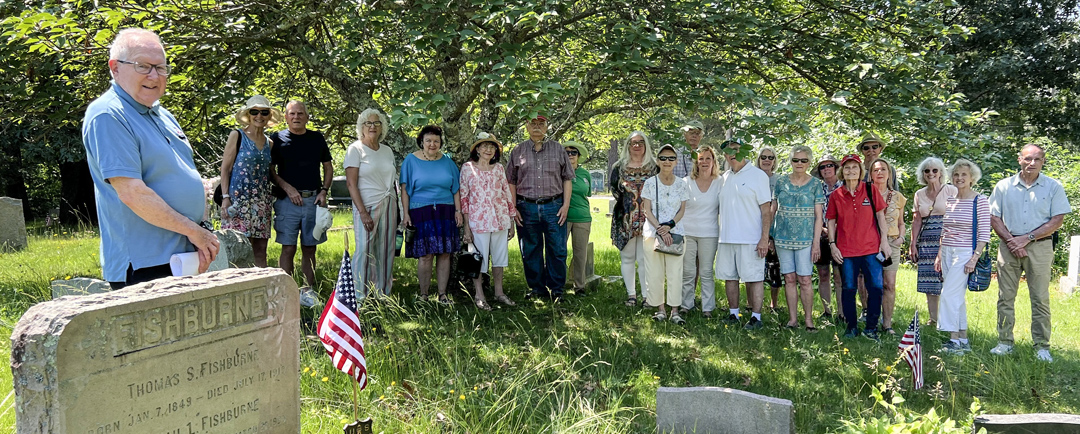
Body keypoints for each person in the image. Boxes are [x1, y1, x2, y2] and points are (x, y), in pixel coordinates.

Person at [82, 28, 219, 289]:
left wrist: (201, 230)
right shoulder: (108, 115)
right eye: (143, 66)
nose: (154, 76)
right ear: (115, 68)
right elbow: (133, 193)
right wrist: (194, 232)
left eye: (160, 67)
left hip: (183, 255)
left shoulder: (162, 114)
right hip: (145, 264)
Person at [989, 144, 1071, 362]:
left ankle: (1042, 346)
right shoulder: (1004, 186)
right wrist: (1012, 241)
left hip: (1040, 247)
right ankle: (1004, 342)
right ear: (1019, 159)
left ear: (1043, 161)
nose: (1032, 163)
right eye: (1028, 159)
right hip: (1008, 246)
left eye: (1037, 159)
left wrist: (1026, 239)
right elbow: (994, 217)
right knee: (1005, 297)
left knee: (1040, 297)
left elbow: (1057, 220)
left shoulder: (1053, 187)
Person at [506, 115, 575, 301]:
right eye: (533, 124)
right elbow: (510, 181)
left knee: (557, 249)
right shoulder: (517, 151)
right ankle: (537, 289)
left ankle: (557, 290)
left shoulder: (558, 149)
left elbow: (567, 178)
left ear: (547, 126)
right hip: (525, 207)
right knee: (530, 250)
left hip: (554, 206)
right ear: (526, 126)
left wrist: (566, 205)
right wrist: (514, 208)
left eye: (541, 124)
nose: (537, 127)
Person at [271, 101, 333, 305]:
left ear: (307, 117)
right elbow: (270, 170)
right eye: (292, 113)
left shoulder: (316, 138)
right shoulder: (276, 139)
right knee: (287, 248)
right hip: (286, 202)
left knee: (310, 248)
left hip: (312, 200)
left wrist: (324, 191)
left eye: (300, 113)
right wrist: (287, 188)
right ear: (286, 117)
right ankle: (286, 292)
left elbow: (328, 167)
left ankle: (308, 291)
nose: (296, 117)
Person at [826, 154, 890, 340]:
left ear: (861, 171)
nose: (851, 171)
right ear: (842, 172)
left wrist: (884, 241)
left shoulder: (870, 190)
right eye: (847, 168)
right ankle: (851, 327)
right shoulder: (836, 195)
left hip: (871, 249)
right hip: (846, 250)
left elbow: (880, 217)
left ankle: (871, 328)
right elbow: (830, 220)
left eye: (855, 168)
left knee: (876, 288)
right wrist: (832, 245)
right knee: (848, 288)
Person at [401, 125, 462, 304]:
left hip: (446, 211)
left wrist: (458, 211)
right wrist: (405, 213)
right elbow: (404, 190)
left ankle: (442, 295)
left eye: (436, 141)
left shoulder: (448, 162)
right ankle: (424, 295)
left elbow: (456, 190)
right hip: (421, 212)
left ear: (440, 143)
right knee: (425, 254)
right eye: (428, 140)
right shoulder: (410, 161)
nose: (432, 144)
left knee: (444, 253)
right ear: (421, 141)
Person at [715, 139, 773, 330]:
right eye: (727, 151)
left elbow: (766, 209)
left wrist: (764, 238)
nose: (732, 154)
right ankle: (734, 314)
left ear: (745, 151)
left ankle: (756, 317)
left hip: (751, 239)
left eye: (736, 150)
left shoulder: (758, 176)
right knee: (729, 277)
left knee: (754, 277)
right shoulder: (724, 178)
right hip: (726, 237)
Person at [935, 159, 990, 355]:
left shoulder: (980, 200)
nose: (959, 178)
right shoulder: (951, 200)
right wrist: (940, 255)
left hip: (965, 253)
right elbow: (945, 230)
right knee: (956, 297)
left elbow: (984, 233)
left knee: (949, 295)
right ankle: (962, 339)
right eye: (956, 174)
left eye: (963, 175)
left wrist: (974, 258)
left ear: (972, 178)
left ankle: (953, 341)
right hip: (948, 251)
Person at [460, 132, 518, 309]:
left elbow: (507, 195)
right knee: (478, 260)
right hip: (478, 222)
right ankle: (479, 295)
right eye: (484, 146)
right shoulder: (467, 168)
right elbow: (464, 198)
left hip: (500, 220)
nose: (488, 149)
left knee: (499, 259)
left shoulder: (499, 168)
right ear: (477, 149)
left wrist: (511, 221)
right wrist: (467, 228)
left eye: (492, 146)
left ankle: (499, 293)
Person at [220, 95, 279, 268]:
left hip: (261, 202)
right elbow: (225, 168)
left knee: (260, 249)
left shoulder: (270, 143)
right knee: (238, 248)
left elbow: (269, 173)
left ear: (269, 115)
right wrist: (225, 197)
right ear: (248, 114)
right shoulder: (237, 136)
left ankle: (260, 286)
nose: (259, 116)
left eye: (263, 112)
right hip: (238, 202)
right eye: (254, 112)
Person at [343, 108, 397, 299]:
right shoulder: (355, 149)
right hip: (366, 205)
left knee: (386, 249)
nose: (373, 126)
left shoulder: (387, 151)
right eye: (368, 123)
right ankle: (359, 294)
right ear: (361, 127)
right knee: (364, 249)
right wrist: (363, 212)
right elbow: (351, 183)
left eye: (377, 123)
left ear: (382, 127)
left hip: (389, 203)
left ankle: (382, 293)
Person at [771, 145, 824, 330]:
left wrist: (816, 243)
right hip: (783, 238)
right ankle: (792, 320)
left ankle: (808, 320)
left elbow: (819, 216)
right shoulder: (781, 182)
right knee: (789, 278)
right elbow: (772, 209)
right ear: (790, 161)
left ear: (809, 162)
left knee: (805, 279)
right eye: (795, 160)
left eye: (803, 160)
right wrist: (769, 235)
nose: (799, 163)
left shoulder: (816, 184)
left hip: (806, 239)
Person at [642, 144, 689, 323]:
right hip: (653, 234)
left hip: (675, 234)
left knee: (675, 272)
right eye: (663, 158)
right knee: (655, 272)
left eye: (671, 158)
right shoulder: (650, 183)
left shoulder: (682, 184)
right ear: (657, 161)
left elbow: (682, 210)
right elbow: (647, 210)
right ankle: (660, 309)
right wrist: (660, 229)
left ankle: (674, 311)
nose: (667, 161)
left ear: (676, 161)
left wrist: (669, 226)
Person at [610, 131, 658, 306]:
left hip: (649, 219)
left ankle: (647, 296)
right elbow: (615, 191)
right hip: (626, 218)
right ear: (628, 146)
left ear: (646, 145)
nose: (636, 145)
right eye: (633, 142)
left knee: (645, 258)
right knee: (627, 257)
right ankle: (632, 295)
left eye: (640, 142)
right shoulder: (619, 167)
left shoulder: (654, 167)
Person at [910, 157, 956, 326]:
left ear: (941, 173)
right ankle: (933, 319)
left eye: (934, 170)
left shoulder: (951, 190)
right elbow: (916, 221)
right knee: (929, 280)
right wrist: (913, 244)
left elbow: (956, 217)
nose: (931, 173)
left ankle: (948, 319)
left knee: (947, 278)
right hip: (926, 239)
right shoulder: (919, 194)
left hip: (948, 237)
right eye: (927, 171)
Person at [680, 145, 722, 318]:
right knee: (688, 272)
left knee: (705, 272)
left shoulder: (720, 182)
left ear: (713, 161)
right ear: (696, 162)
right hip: (687, 232)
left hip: (709, 233)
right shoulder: (686, 182)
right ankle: (685, 305)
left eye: (708, 158)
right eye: (701, 159)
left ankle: (707, 308)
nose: (704, 162)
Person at [868, 158, 906, 334]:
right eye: (876, 170)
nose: (880, 173)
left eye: (883, 169)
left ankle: (887, 323)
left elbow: (901, 222)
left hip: (891, 243)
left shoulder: (897, 197)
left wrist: (901, 238)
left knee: (889, 283)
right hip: (869, 243)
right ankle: (871, 320)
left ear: (889, 174)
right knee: (873, 283)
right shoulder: (865, 194)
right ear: (870, 174)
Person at [812, 154, 843, 321]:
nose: (826, 169)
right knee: (823, 273)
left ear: (836, 167)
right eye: (822, 167)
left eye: (829, 165)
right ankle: (827, 311)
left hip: (842, 236)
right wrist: (822, 229)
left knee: (839, 275)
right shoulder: (817, 188)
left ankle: (841, 312)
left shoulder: (844, 187)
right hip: (822, 234)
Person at [563, 141, 592, 296]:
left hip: (583, 217)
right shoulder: (558, 172)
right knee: (559, 252)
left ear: (578, 156)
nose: (570, 155)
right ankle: (557, 284)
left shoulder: (585, 174)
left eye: (573, 153)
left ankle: (579, 286)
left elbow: (587, 194)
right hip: (563, 217)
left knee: (580, 253)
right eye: (567, 152)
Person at [757, 146, 783, 312]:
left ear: (774, 161)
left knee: (774, 267)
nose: (767, 160)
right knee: (755, 267)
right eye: (763, 157)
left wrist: (770, 235)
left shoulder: (780, 180)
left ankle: (774, 303)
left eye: (770, 157)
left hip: (775, 229)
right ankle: (753, 303)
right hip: (754, 227)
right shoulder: (752, 177)